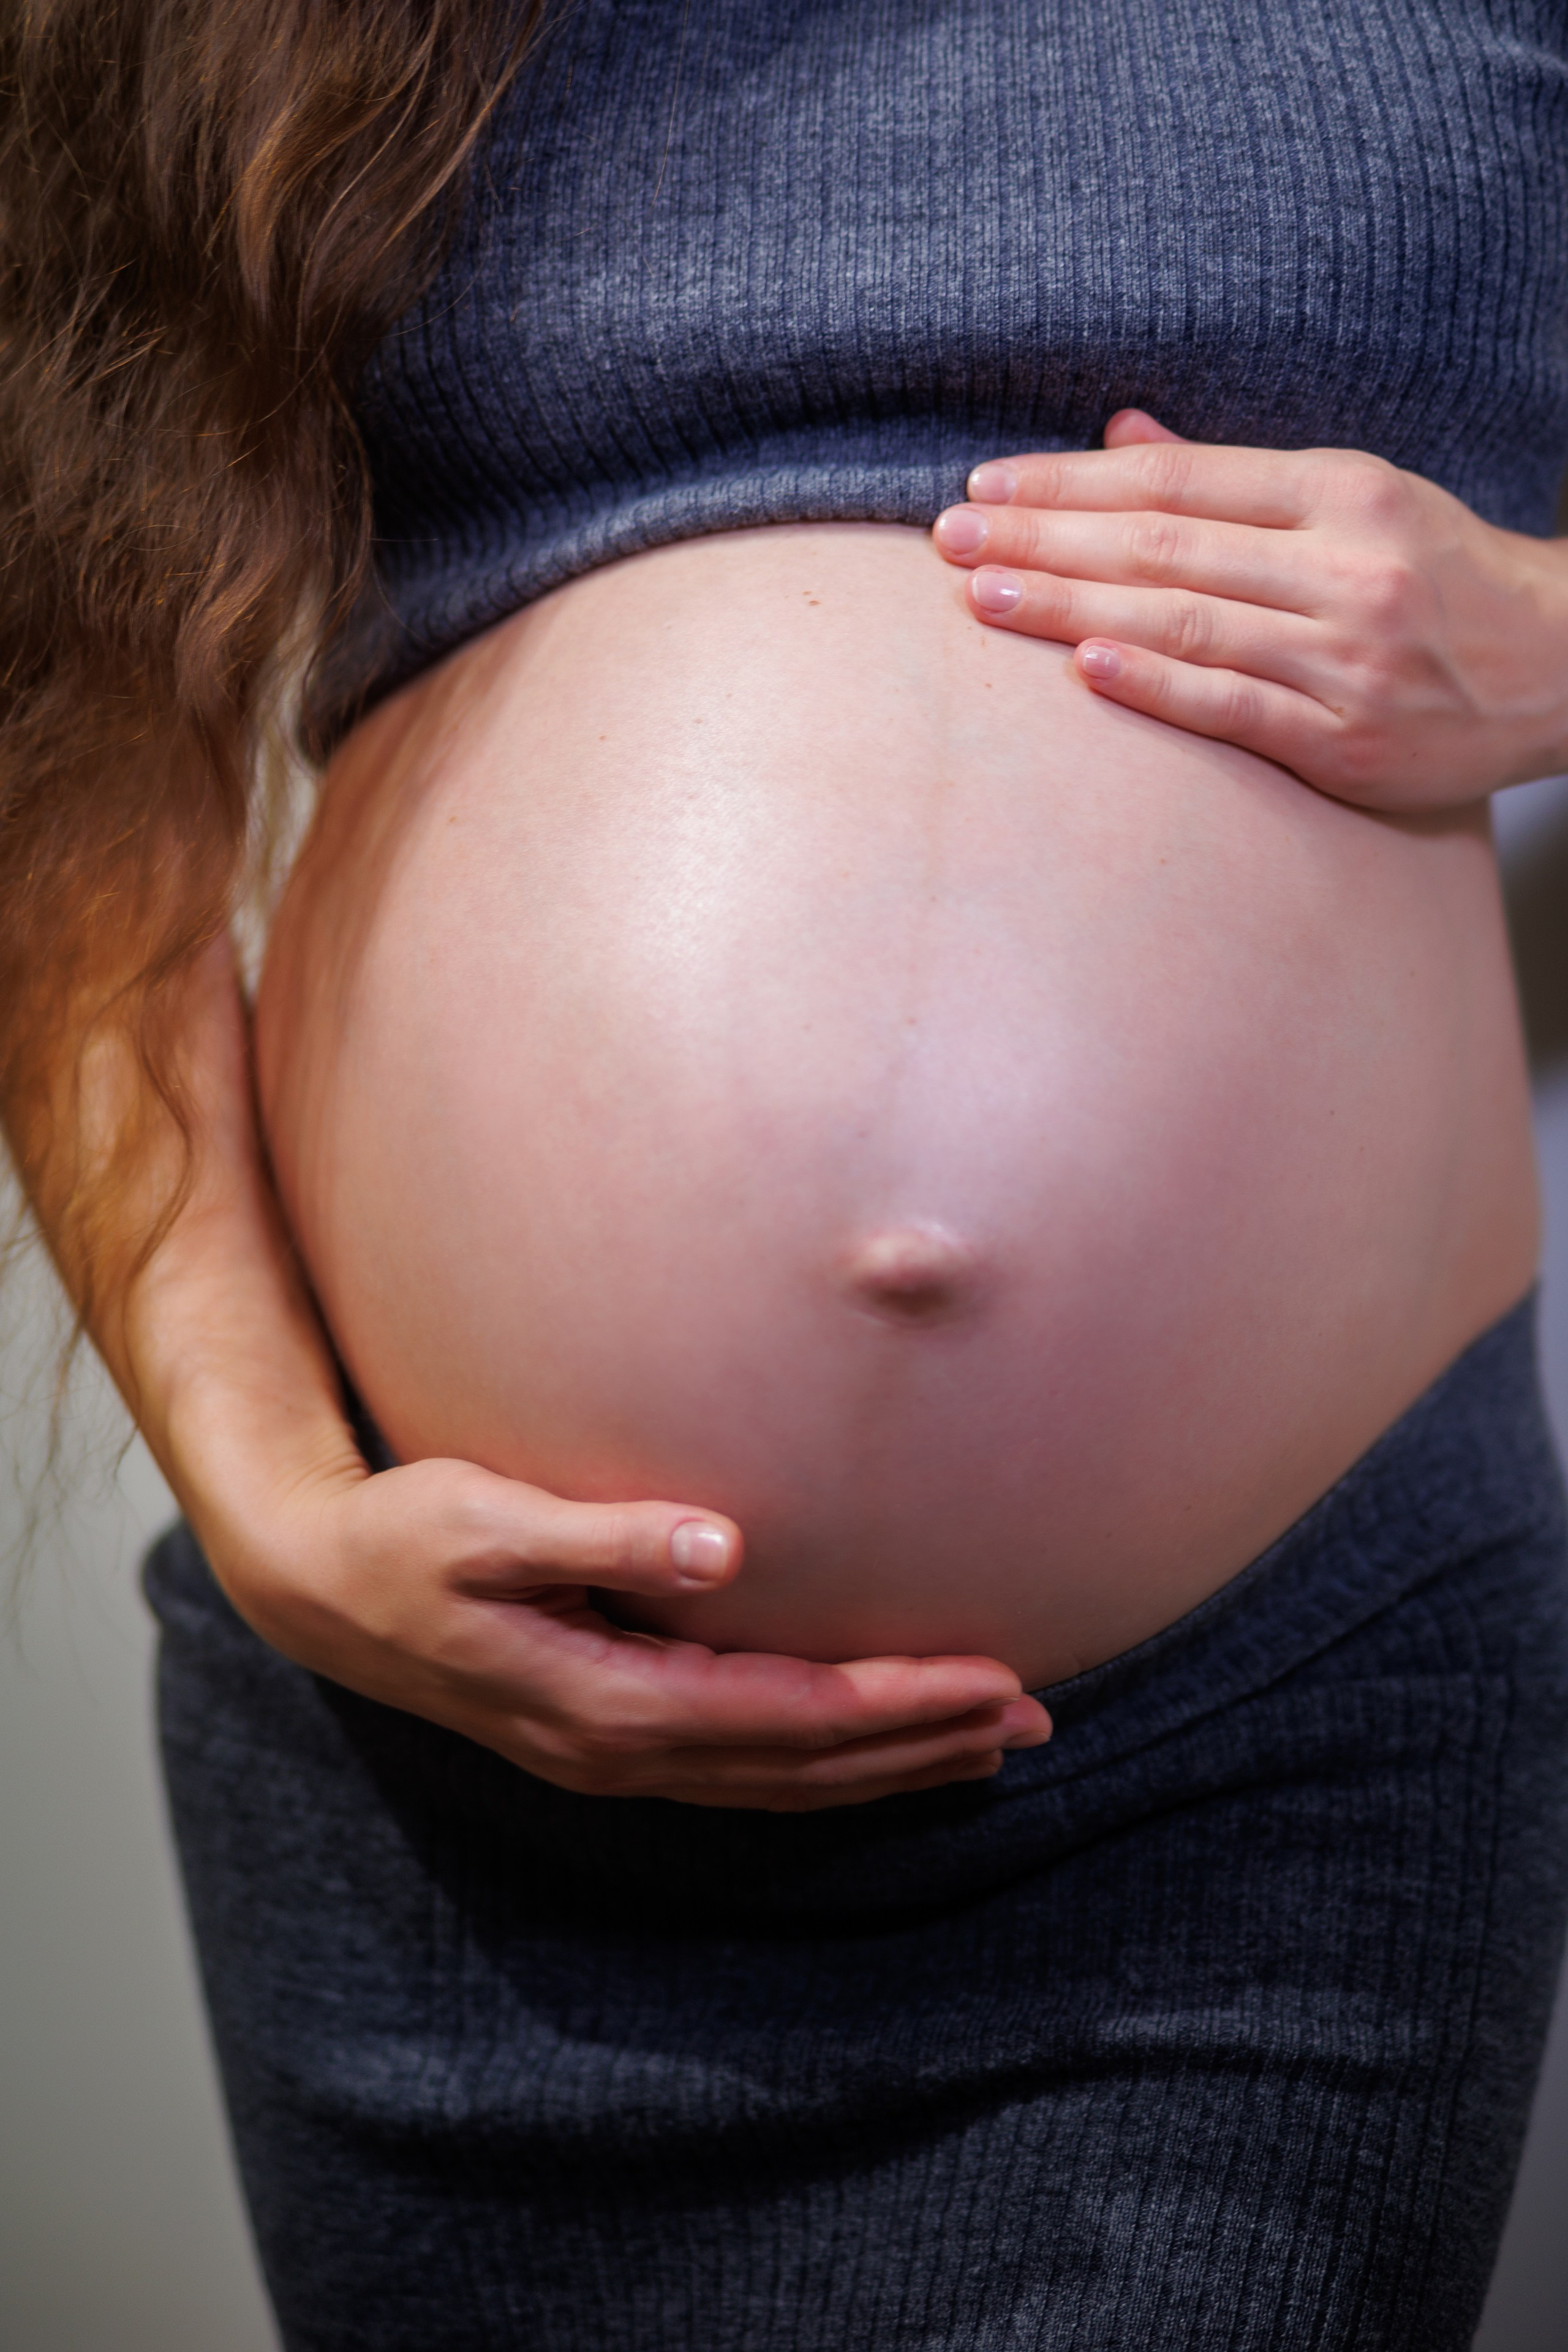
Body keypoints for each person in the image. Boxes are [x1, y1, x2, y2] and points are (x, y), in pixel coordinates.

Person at [3, 3, 1567, 2346]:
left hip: (1254, 1753)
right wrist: (269, 1498)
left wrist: (1551, 635)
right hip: (456, 1764)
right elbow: (71, 700)